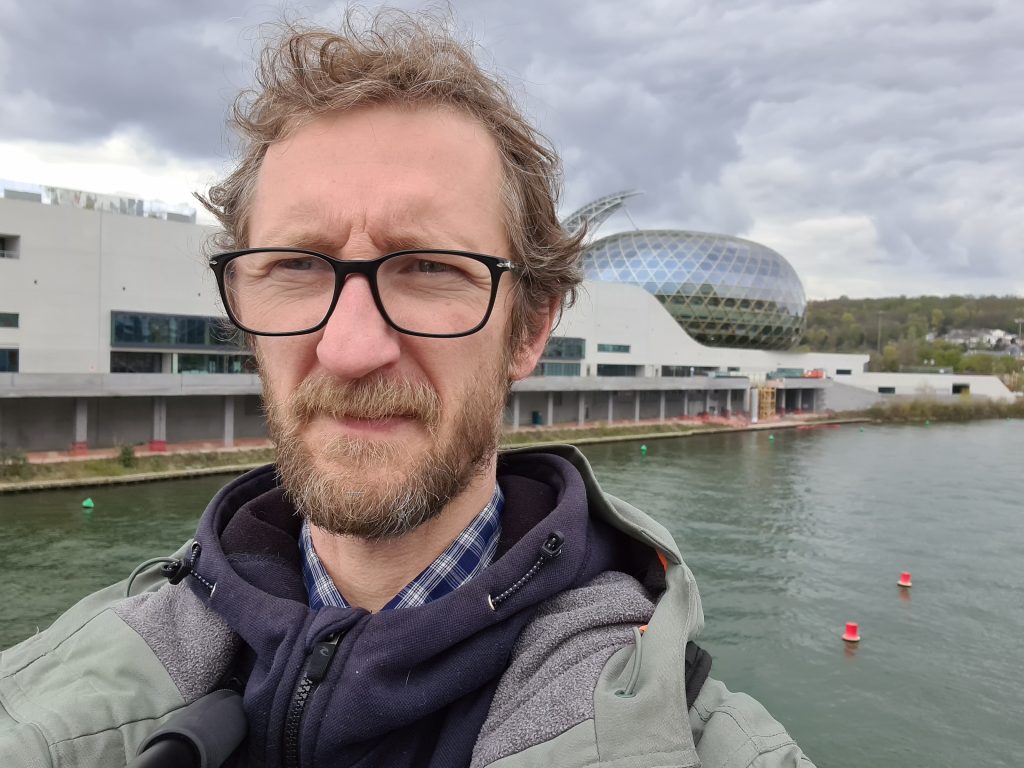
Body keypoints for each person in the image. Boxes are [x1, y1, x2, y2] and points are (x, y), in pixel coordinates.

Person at [0, 10, 814, 767]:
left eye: (427, 267)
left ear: (529, 328)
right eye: (296, 265)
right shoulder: (41, 711)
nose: (351, 349)